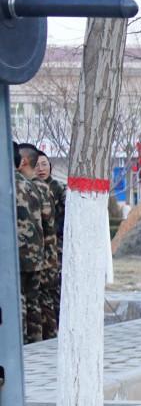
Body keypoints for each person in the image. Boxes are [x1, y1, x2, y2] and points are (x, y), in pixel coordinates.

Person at [13, 144, 52, 343]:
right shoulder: (33, 186)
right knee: (33, 301)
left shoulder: (8, 184)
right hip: (36, 253)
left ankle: (19, 343)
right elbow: (47, 221)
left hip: (16, 254)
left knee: (17, 299)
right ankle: (35, 342)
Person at [34, 152, 65, 338]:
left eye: (44, 164)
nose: (41, 169)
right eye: (37, 165)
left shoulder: (58, 188)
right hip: (38, 248)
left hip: (55, 247)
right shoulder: (31, 188)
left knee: (54, 289)